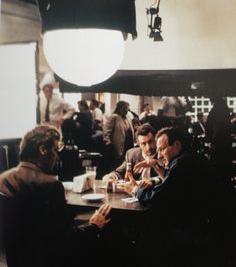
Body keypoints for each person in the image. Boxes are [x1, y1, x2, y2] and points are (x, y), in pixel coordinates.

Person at [0, 125, 111, 267]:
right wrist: (93, 225)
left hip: (18, 259)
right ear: (43, 150)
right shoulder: (50, 185)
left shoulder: (3, 179)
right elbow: (63, 241)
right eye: (55, 150)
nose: (57, 156)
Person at [124, 127, 218, 267]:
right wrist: (155, 165)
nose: (159, 154)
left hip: (193, 231)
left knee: (142, 235)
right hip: (206, 224)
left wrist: (135, 190)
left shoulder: (181, 164)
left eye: (161, 149)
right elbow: (171, 186)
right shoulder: (191, 158)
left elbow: (157, 198)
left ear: (177, 145)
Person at [103, 101, 134, 165]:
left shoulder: (127, 118)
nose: (126, 110)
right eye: (124, 108)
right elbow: (106, 131)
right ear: (119, 108)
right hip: (117, 147)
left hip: (128, 146)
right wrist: (108, 143)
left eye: (127, 108)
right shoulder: (114, 117)